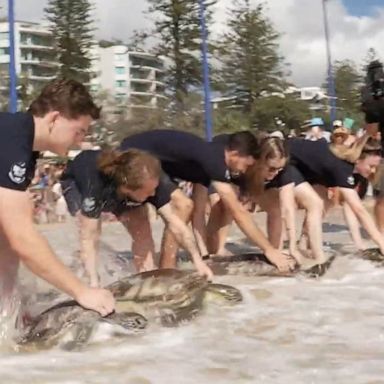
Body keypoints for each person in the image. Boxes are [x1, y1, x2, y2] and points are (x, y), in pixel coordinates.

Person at [0, 78, 115, 336]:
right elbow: (23, 239)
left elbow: (6, 241)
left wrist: (9, 311)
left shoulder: (25, 149)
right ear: (54, 119)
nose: (80, 141)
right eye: (80, 131)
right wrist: (81, 291)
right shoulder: (12, 139)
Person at [120, 130, 295, 272]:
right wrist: (269, 250)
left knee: (184, 206)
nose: (245, 170)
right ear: (234, 154)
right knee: (181, 206)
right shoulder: (214, 160)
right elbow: (237, 211)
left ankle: (163, 269)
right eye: (246, 165)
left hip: (151, 159)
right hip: (134, 155)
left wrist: (203, 254)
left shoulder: (211, 158)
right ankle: (167, 270)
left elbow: (198, 210)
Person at [61, 148, 213, 287]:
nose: (154, 195)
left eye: (154, 189)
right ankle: (88, 275)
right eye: (149, 192)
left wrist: (198, 261)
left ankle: (146, 278)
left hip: (123, 188)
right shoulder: (94, 185)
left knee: (142, 228)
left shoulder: (152, 181)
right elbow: (89, 236)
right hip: (77, 183)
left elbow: (177, 226)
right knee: (91, 231)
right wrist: (94, 285)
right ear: (128, 188)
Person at [259, 135, 384, 263]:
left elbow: (351, 208)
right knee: (312, 204)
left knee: (325, 201)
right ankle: (318, 258)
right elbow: (360, 211)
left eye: (375, 167)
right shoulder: (341, 168)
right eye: (371, 166)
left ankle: (303, 243)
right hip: (286, 157)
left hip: (306, 168)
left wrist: (359, 245)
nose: (374, 171)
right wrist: (381, 242)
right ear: (358, 160)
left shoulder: (353, 172)